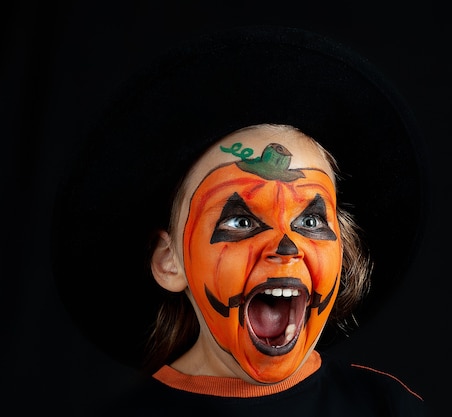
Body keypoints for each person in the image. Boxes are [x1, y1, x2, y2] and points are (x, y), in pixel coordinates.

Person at [52, 25, 429, 415]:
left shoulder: (387, 408)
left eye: (312, 222)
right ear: (169, 261)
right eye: (242, 222)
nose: (287, 246)